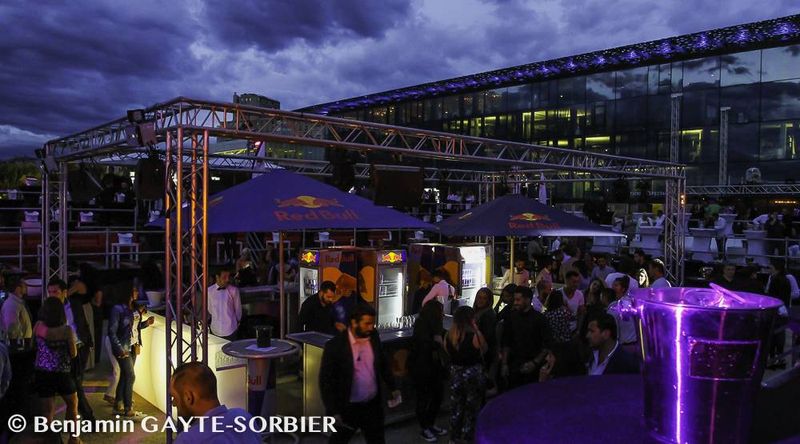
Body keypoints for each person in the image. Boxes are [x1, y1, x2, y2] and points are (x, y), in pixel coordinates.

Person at [319, 304, 401, 444]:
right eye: (367, 323)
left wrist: (393, 387)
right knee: (338, 440)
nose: (371, 327)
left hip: (372, 406)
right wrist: (333, 410)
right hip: (348, 408)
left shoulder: (373, 336)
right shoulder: (336, 346)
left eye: (372, 324)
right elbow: (326, 380)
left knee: (377, 440)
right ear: (354, 322)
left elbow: (382, 364)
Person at [171, 362, 261, 443]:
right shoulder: (244, 417)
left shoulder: (187, 440)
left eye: (174, 397)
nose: (174, 403)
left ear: (188, 397)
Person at [32, 297, 80, 444]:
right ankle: (73, 438)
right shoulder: (66, 330)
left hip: (43, 374)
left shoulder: (38, 326)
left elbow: (33, 346)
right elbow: (73, 354)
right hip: (62, 374)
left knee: (47, 412)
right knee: (72, 405)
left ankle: (49, 440)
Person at [47, 278, 94, 422]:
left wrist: (89, 342)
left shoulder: (74, 304)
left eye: (55, 291)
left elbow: (82, 323)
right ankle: (88, 417)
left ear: (65, 293)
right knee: (75, 385)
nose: (52, 295)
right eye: (49, 292)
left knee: (76, 383)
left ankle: (83, 417)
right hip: (64, 350)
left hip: (80, 347)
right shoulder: (48, 309)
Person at [446, 306, 487, 443]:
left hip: (455, 373)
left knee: (456, 406)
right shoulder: (475, 335)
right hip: (472, 374)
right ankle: (468, 437)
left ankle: (454, 437)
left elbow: (447, 353)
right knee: (471, 407)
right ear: (471, 319)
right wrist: (476, 328)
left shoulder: (449, 335)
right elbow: (484, 349)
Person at [409, 301, 447, 442]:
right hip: (423, 368)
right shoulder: (422, 325)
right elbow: (423, 345)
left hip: (433, 367)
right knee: (424, 397)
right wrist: (437, 343)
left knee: (436, 395)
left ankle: (429, 424)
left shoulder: (434, 325)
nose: (442, 314)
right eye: (440, 311)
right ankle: (425, 427)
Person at [501, 286, 550, 389]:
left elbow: (547, 344)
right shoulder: (511, 317)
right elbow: (506, 341)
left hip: (533, 366)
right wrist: (505, 364)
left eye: (518, 300)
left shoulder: (540, 319)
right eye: (515, 300)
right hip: (514, 364)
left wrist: (535, 362)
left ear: (528, 300)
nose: (515, 303)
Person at [108, 285, 141, 416]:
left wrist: (145, 323)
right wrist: (119, 348)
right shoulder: (118, 309)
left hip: (133, 345)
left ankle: (118, 402)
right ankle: (128, 407)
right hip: (123, 347)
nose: (137, 292)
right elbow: (112, 331)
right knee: (130, 375)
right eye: (134, 290)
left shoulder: (133, 307)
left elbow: (133, 327)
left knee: (125, 374)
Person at [766, 261, 791, 368]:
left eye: (771, 267)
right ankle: (780, 358)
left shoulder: (774, 280)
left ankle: (772, 359)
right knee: (780, 335)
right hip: (783, 310)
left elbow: (771, 296)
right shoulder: (786, 280)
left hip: (775, 311)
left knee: (772, 336)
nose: (769, 269)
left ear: (776, 268)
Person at [473, 287, 497, 392]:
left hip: (483, 354)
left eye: (484, 298)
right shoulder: (480, 313)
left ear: (489, 300)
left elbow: (487, 336)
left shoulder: (487, 315)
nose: (480, 300)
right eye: (479, 297)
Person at [208, 268, 242, 341]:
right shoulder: (209, 291)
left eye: (228, 277)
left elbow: (238, 310)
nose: (227, 280)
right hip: (215, 329)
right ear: (217, 277)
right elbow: (210, 310)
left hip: (231, 329)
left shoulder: (234, 290)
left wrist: (236, 322)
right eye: (224, 277)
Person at [606, 277, 638, 355]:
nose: (613, 287)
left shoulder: (625, 303)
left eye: (616, 285)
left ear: (623, 289)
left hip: (628, 345)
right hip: (626, 345)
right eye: (613, 285)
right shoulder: (617, 303)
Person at [1, 276, 31, 344]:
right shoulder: (12, 304)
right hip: (17, 346)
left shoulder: (16, 303)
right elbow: (12, 329)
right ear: (18, 289)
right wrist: (19, 344)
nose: (27, 288)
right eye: (24, 286)